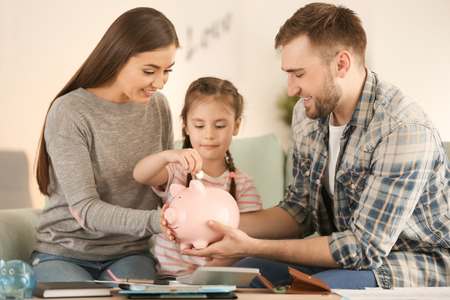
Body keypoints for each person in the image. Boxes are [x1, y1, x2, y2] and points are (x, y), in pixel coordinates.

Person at [180, 2, 450, 289]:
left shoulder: (402, 130)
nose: (291, 89)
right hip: (343, 256)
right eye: (288, 74)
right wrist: (206, 221)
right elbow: (299, 210)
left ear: (341, 64)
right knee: (245, 278)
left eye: (299, 74)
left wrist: (252, 246)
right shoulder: (307, 115)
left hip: (413, 261)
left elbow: (362, 249)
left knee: (316, 290)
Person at [32, 7, 179, 282]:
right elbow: (86, 209)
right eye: (150, 70)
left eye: (167, 70)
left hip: (130, 253)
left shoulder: (158, 107)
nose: (159, 83)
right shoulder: (70, 111)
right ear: (117, 58)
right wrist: (156, 221)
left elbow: (163, 187)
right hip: (64, 252)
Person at [133, 76, 262, 278]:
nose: (209, 134)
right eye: (199, 126)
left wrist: (209, 270)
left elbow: (245, 240)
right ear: (186, 125)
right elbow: (140, 174)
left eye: (219, 126)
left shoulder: (243, 183)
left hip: (214, 277)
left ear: (236, 126)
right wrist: (168, 155)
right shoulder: (176, 171)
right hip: (167, 276)